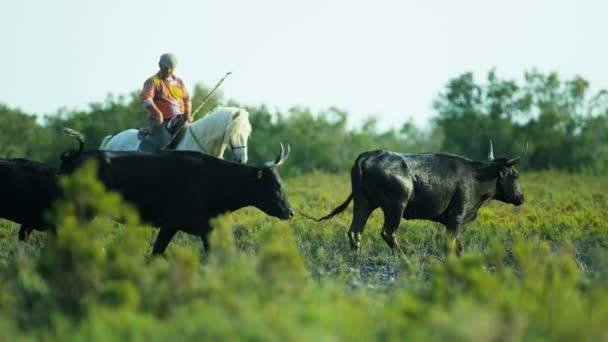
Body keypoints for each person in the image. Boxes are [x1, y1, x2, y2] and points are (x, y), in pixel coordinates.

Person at [138, 53, 192, 152]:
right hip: (161, 120)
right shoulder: (152, 81)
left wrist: (187, 114)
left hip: (179, 119)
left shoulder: (179, 82)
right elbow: (145, 99)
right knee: (163, 139)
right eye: (166, 67)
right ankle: (141, 153)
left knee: (190, 136)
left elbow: (187, 99)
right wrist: (158, 114)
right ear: (159, 65)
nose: (168, 70)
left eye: (171, 68)